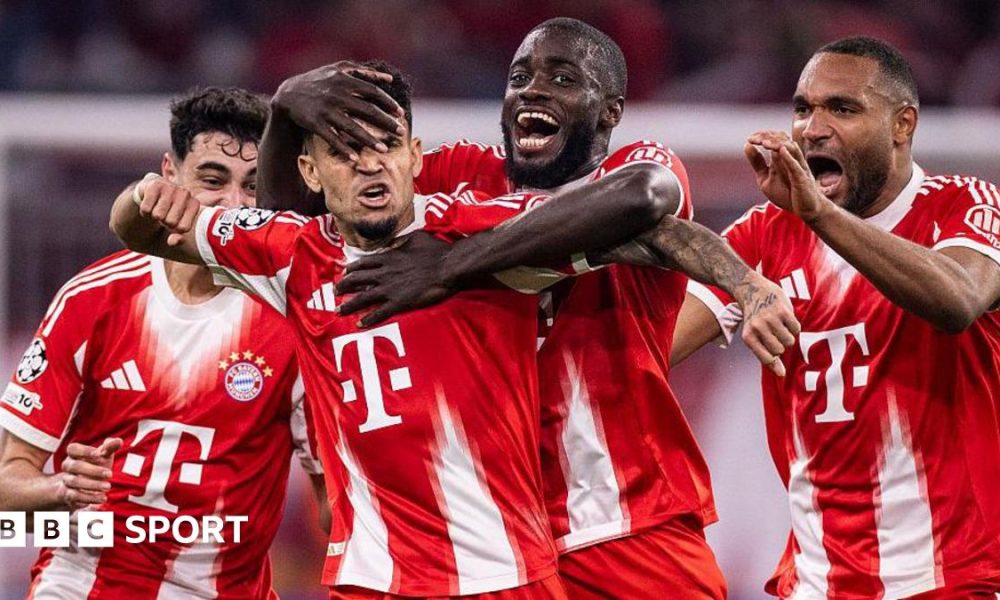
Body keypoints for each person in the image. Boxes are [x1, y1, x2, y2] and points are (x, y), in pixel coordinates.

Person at [110, 62, 794, 599]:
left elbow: (655, 230)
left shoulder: (485, 238)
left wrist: (748, 284)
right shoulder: (288, 253)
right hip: (370, 579)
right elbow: (141, 227)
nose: (369, 164)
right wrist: (145, 201)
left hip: (505, 573)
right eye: (345, 152)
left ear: (415, 155)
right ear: (312, 173)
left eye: (384, 147)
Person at [671, 37, 1000, 598]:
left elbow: (958, 300)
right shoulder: (766, 235)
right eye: (803, 108)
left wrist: (819, 215)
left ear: (903, 125)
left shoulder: (964, 207)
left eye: (841, 109)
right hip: (818, 582)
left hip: (954, 578)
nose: (812, 128)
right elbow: (650, 347)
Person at [0, 87, 326, 599]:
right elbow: (6, 493)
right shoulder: (94, 298)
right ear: (169, 175)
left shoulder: (297, 320)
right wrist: (62, 490)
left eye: (252, 187)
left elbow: (335, 505)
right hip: (81, 585)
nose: (232, 206)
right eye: (213, 181)